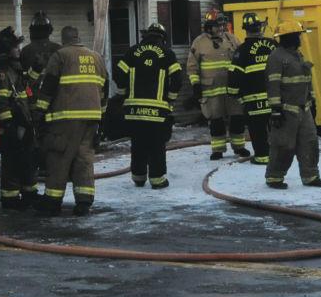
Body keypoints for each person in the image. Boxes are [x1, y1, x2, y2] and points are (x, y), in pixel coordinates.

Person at [33, 25, 108, 216]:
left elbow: (49, 85)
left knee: (59, 157)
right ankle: (84, 201)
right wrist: (101, 115)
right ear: (78, 37)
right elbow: (104, 88)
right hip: (92, 117)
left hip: (65, 117)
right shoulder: (96, 57)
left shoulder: (60, 56)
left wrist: (39, 111)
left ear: (63, 39)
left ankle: (52, 201)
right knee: (84, 158)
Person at [114, 21, 183, 189]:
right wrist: (170, 98)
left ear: (146, 36)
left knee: (138, 144)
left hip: (134, 110)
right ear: (162, 38)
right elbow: (177, 79)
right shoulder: (167, 54)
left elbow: (119, 75)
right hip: (157, 111)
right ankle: (157, 180)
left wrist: (123, 95)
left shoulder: (132, 52)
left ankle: (138, 178)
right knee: (156, 145)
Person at [264, 29, 321, 189]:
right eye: (297, 36)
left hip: (303, 109)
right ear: (289, 37)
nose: (300, 38)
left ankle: (311, 176)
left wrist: (312, 103)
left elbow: (307, 81)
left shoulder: (297, 55)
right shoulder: (277, 57)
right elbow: (273, 84)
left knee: (309, 142)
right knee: (283, 145)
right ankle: (274, 178)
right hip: (286, 110)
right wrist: (275, 109)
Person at [187, 10, 248, 159]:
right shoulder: (199, 42)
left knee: (238, 118)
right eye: (217, 25)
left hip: (232, 89)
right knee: (216, 121)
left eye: (222, 24)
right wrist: (195, 86)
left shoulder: (232, 39)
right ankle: (218, 150)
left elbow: (242, 60)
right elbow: (192, 67)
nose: (221, 28)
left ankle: (239, 147)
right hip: (211, 90)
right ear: (208, 27)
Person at [18, 11, 62, 198]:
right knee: (54, 136)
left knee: (35, 139)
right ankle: (52, 167)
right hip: (55, 101)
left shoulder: (26, 51)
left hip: (34, 102)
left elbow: (23, 79)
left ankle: (37, 169)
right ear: (49, 30)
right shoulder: (58, 49)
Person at [0, 26, 36, 209]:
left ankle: (29, 193)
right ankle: (10, 198)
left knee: (27, 159)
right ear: (7, 49)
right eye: (16, 47)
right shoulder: (3, 70)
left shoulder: (15, 67)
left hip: (23, 121)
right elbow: (3, 100)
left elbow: (25, 87)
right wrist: (9, 124)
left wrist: (36, 71)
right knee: (12, 161)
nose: (19, 50)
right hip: (13, 124)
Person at [232, 12, 276, 165]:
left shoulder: (242, 50)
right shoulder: (273, 44)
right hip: (276, 98)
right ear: (260, 28)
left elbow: (235, 76)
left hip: (254, 100)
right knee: (277, 127)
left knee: (257, 129)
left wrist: (233, 93)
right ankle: (279, 154)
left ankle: (262, 157)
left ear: (245, 30)